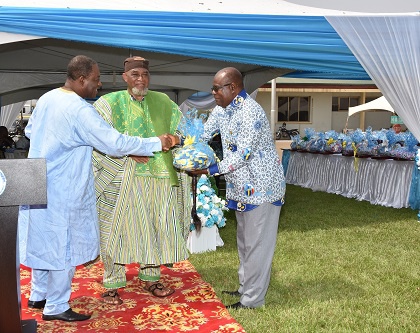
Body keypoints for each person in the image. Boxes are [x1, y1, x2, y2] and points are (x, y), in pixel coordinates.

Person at [18, 55, 176, 322]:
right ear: (81, 80)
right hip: (64, 186)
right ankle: (55, 306)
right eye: (95, 80)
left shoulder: (47, 98)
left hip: (37, 180)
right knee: (62, 247)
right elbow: (113, 143)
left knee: (43, 239)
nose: (99, 85)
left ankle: (38, 294)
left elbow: (31, 131)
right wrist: (154, 142)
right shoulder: (78, 109)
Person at [93, 56, 190, 305]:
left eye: (145, 74)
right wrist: (127, 150)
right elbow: (97, 139)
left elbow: (185, 132)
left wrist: (175, 140)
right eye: (135, 74)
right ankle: (112, 284)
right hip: (123, 178)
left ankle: (151, 279)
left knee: (154, 231)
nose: (141, 79)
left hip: (158, 178)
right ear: (124, 77)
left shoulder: (164, 102)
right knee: (116, 232)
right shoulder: (108, 103)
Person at [187, 67, 286, 309]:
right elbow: (205, 133)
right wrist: (187, 146)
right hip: (241, 188)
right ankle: (245, 288)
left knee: (257, 246)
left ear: (232, 88)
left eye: (216, 88)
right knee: (244, 243)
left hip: (262, 189)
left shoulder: (249, 111)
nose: (213, 93)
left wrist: (209, 170)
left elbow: (243, 154)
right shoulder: (223, 110)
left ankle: (252, 300)